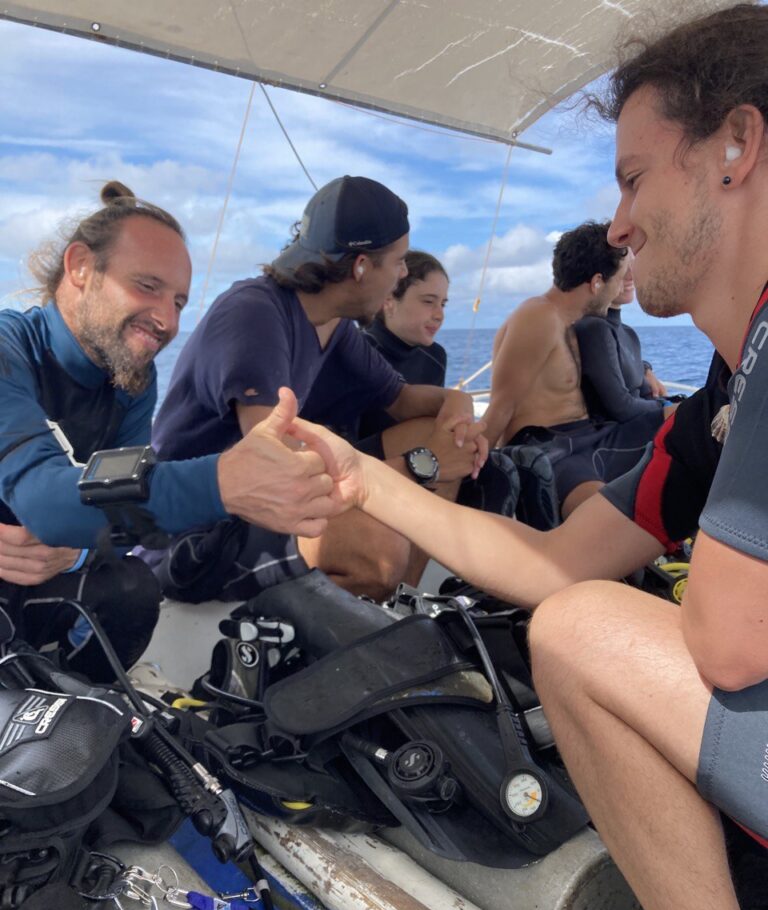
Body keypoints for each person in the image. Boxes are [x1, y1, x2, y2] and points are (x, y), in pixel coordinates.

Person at [287, 5, 768, 910]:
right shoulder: (722, 401)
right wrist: (366, 482)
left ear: (737, 148)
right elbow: (557, 562)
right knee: (574, 619)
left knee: (596, 628)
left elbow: (725, 645)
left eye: (635, 177)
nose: (620, 224)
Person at [0, 182, 341, 682]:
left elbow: (124, 518)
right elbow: (45, 501)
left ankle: (80, 713)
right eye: (147, 286)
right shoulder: (11, 351)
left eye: (179, 301)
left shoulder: (131, 380)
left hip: (37, 577)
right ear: (79, 267)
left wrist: (78, 551)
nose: (167, 319)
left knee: (133, 589)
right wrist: (225, 483)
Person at [150, 177, 484, 602]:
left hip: (269, 506)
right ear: (361, 266)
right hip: (198, 532)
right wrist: (427, 464)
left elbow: (402, 401)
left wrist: (458, 407)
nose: (402, 273)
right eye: (398, 262)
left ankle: (401, 608)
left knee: (429, 429)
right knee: (379, 551)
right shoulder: (254, 313)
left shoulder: (334, 324)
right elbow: (277, 469)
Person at [482, 222, 659, 517]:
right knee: (607, 522)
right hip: (550, 447)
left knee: (688, 426)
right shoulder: (538, 317)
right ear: (597, 283)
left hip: (590, 437)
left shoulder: (576, 323)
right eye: (618, 279)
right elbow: (502, 407)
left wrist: (646, 370)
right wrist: (472, 475)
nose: (622, 286)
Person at [355, 249, 449, 439]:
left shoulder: (435, 357)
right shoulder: (358, 352)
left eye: (443, 304)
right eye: (429, 302)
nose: (439, 315)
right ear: (389, 300)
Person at [575, 254, 668, 427]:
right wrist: (667, 407)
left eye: (631, 265)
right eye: (621, 269)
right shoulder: (592, 329)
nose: (630, 276)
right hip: (622, 436)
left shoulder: (628, 333)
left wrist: (644, 368)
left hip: (643, 424)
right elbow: (620, 409)